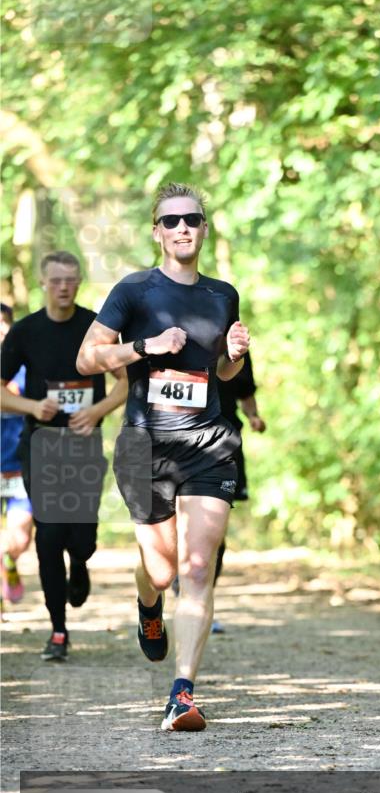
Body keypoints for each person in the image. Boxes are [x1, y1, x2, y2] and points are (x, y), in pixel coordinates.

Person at [76, 182, 250, 732]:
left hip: (208, 442)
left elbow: (220, 373)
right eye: (171, 220)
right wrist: (144, 348)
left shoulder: (224, 295)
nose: (182, 228)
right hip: (145, 443)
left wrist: (234, 356)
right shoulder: (133, 291)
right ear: (156, 231)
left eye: (192, 219)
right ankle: (148, 604)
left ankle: (182, 694)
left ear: (204, 228)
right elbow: (87, 358)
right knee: (162, 568)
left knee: (198, 568)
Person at [0, 252, 128, 659]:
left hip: (84, 447)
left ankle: (82, 560)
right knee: (50, 536)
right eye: (56, 280)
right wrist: (32, 408)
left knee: (82, 537)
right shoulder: (25, 332)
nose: (63, 287)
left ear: (79, 281)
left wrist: (97, 411)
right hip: (41, 446)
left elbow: (127, 383)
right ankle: (58, 631)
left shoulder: (98, 329)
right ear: (43, 282)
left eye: (71, 279)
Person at [173, 351, 266, 596]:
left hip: (223, 444)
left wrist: (254, 416)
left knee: (215, 528)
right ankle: (177, 571)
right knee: (177, 517)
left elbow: (246, 392)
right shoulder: (173, 337)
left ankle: (202, 592)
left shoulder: (235, 346)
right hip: (177, 442)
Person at [1, 303, 33, 604]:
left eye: (3, 325)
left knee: (21, 539)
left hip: (18, 465)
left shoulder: (25, 367)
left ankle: (8, 561)